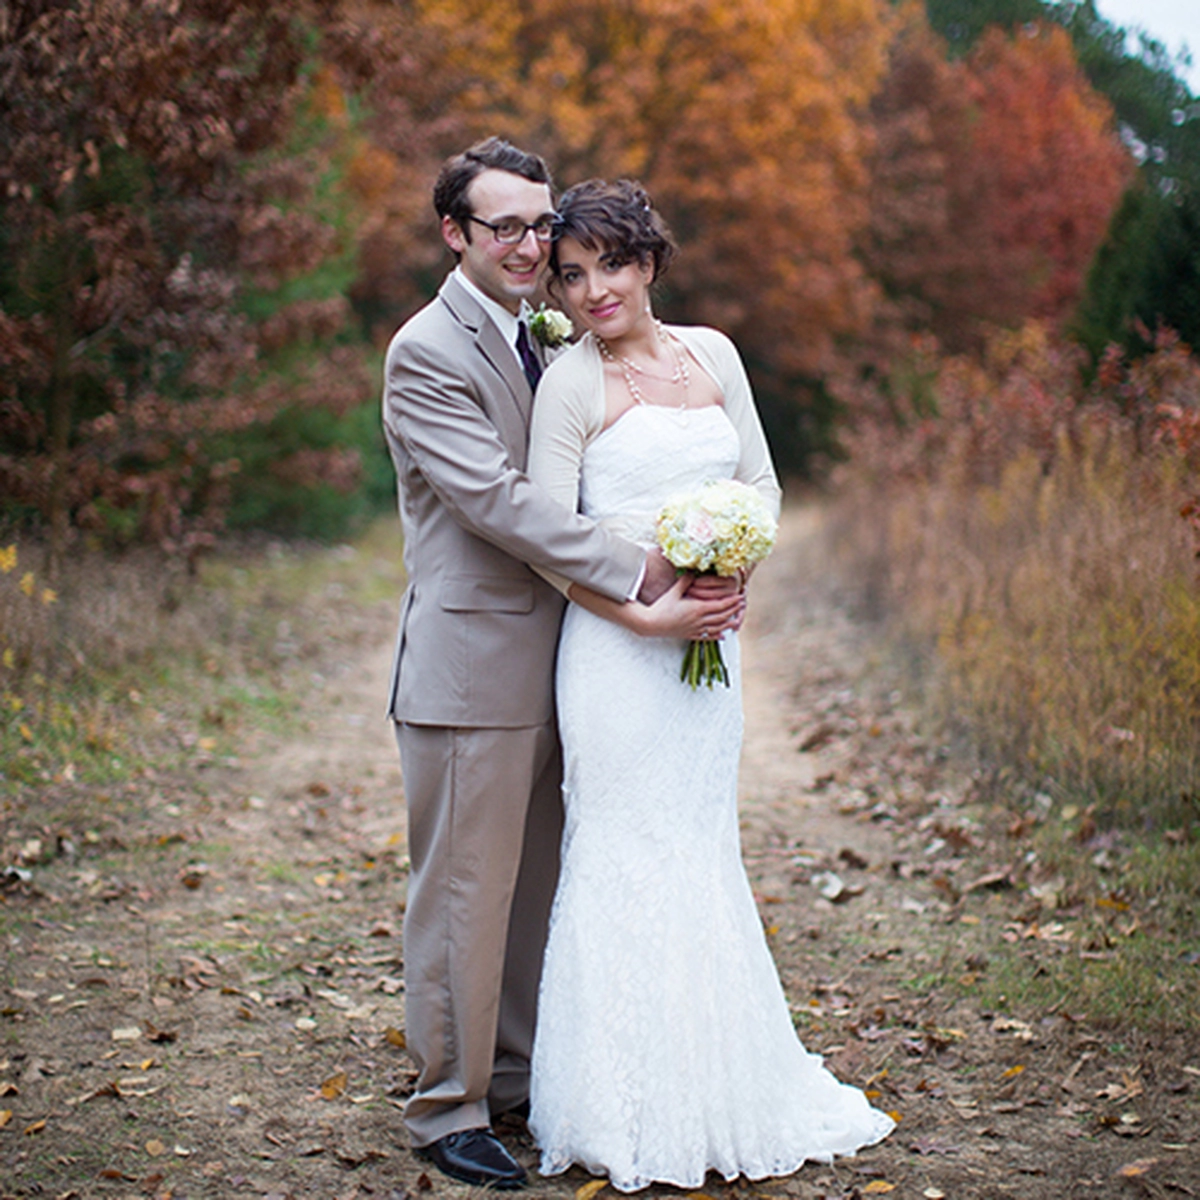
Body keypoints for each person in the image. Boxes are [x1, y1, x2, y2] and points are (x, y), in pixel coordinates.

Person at [380, 141, 743, 1191]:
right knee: (465, 892)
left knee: (536, 888)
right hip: (472, 668)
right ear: (454, 233)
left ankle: (512, 1080)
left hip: (568, 657)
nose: (530, 245)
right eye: (505, 226)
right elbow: (500, 502)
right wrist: (644, 566)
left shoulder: (540, 331)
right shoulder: (425, 351)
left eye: (539, 224)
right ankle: (447, 1109)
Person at [525, 178, 896, 1192]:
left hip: (709, 656)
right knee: (622, 852)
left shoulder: (715, 355)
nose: (594, 290)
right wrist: (651, 614)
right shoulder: (571, 384)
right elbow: (551, 540)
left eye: (611, 264)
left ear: (648, 262)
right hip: (617, 654)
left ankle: (715, 1082)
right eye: (572, 276)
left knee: (698, 849)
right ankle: (618, 1104)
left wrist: (733, 564)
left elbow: (762, 486)